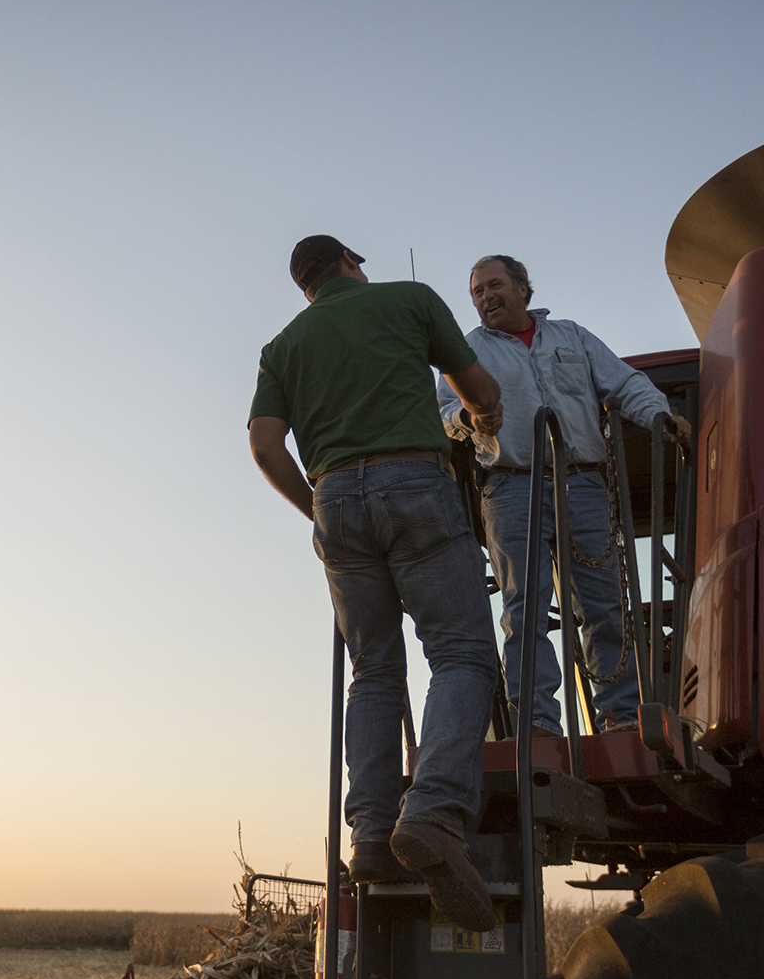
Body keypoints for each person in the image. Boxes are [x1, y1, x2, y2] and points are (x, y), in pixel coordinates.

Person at [248, 235, 506, 933]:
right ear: (349, 265)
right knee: (461, 653)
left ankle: (369, 834)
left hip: (335, 501)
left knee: (373, 669)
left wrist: (318, 509)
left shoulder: (283, 347)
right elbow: (479, 389)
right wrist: (486, 422)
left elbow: (266, 446)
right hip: (415, 480)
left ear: (305, 286)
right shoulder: (410, 300)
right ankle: (432, 815)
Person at [440, 255, 690, 737]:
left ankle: (620, 715)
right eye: (476, 292)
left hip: (583, 483)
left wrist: (660, 415)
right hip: (511, 486)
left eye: (494, 286)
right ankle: (536, 724)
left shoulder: (572, 336)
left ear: (522, 289)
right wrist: (467, 420)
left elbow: (625, 384)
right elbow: (442, 409)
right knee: (524, 609)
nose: (484, 297)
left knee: (602, 604)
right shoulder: (465, 352)